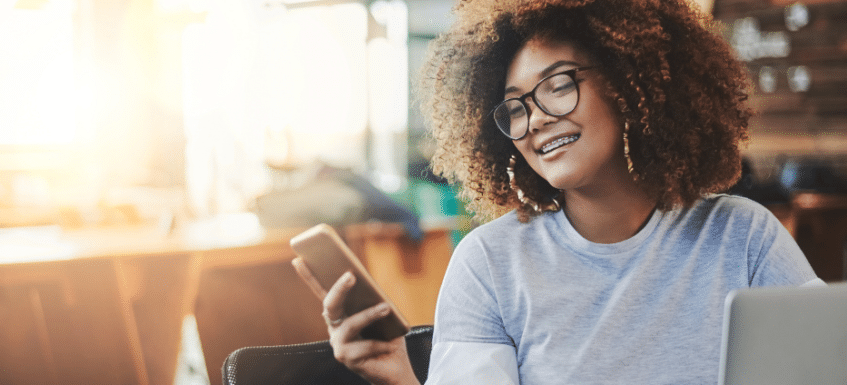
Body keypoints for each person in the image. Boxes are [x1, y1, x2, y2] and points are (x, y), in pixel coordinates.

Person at [291, 0, 824, 384]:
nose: (536, 121)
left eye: (559, 85)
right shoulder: (489, 263)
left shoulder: (743, 236)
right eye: (516, 106)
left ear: (629, 80)